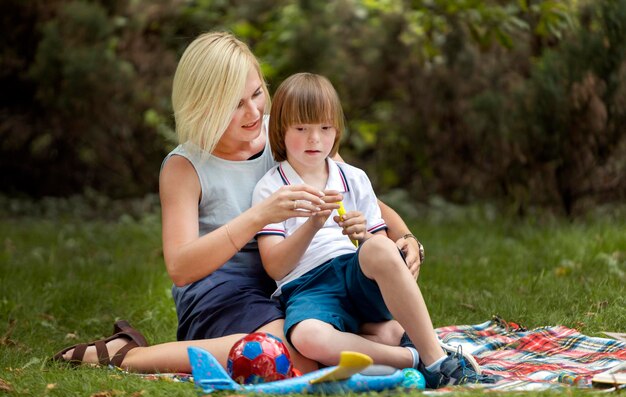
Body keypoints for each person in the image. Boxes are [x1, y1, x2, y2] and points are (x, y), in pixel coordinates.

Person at [52, 32, 423, 373]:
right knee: (287, 356)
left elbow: (352, 192)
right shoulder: (185, 167)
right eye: (234, 105)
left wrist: (405, 238)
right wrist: (261, 214)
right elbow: (181, 268)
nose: (253, 113)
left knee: (380, 329)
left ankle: (399, 356)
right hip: (224, 290)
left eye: (257, 94)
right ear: (203, 107)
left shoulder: (283, 132)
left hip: (295, 280)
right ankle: (129, 355)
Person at [252, 73, 497, 388]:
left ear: (337, 130)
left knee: (379, 249)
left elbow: (382, 254)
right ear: (280, 131)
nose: (315, 140)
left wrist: (363, 236)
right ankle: (412, 358)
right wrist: (312, 225)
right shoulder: (271, 188)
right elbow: (275, 266)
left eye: (325, 128)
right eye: (302, 129)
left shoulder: (352, 179)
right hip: (308, 288)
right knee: (308, 337)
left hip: (354, 275)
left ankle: (436, 358)